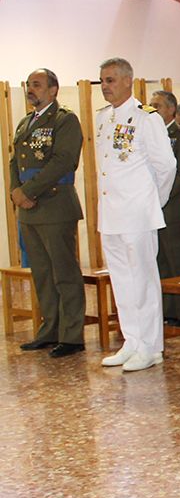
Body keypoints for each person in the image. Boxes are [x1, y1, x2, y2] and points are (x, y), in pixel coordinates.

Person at [93, 57, 175, 372]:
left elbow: (166, 166)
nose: (105, 86)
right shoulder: (102, 118)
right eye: (102, 81)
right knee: (122, 281)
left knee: (143, 280)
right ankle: (132, 342)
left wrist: (155, 200)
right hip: (111, 213)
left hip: (138, 213)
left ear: (129, 80)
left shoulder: (146, 117)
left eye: (111, 80)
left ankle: (151, 348)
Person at [8, 68, 86, 358]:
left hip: (55, 205)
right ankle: (49, 329)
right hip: (29, 210)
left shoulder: (65, 120)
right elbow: (15, 160)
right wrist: (17, 191)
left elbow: (64, 161)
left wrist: (28, 191)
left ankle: (72, 334)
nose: (31, 89)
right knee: (42, 273)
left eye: (37, 85)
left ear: (53, 90)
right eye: (29, 85)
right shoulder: (26, 122)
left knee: (64, 272)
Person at [148, 90, 180, 328]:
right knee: (160, 261)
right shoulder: (149, 135)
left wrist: (161, 195)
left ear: (171, 110)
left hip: (173, 206)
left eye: (157, 106)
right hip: (151, 207)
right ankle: (167, 310)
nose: (152, 109)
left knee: (179, 260)